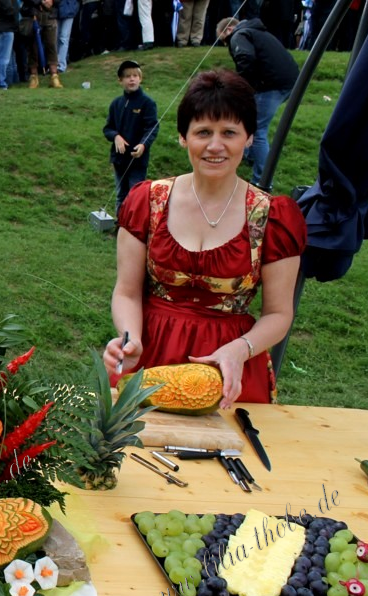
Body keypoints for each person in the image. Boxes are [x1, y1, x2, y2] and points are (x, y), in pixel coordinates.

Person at [103, 69, 306, 408]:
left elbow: (278, 313)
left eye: (229, 132)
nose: (215, 146)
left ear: (249, 138)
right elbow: (127, 291)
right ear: (183, 137)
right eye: (203, 132)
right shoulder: (146, 201)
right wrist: (130, 338)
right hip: (150, 356)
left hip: (229, 366)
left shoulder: (273, 217)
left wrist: (240, 349)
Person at [217, 17, 298, 186]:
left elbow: (245, 58)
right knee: (249, 120)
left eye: (224, 41)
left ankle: (262, 180)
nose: (226, 45)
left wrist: (240, 85)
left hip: (272, 84)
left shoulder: (239, 35)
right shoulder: (257, 32)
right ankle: (249, 156)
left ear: (228, 30)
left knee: (257, 129)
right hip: (287, 82)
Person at [103, 59, 158, 211]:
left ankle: (134, 224)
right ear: (120, 81)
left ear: (140, 78)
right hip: (119, 159)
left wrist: (143, 145)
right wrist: (116, 136)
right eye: (127, 76)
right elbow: (108, 128)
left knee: (135, 195)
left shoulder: (147, 103)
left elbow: (152, 127)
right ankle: (119, 222)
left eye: (135, 76)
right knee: (121, 195)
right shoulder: (116, 103)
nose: (132, 79)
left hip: (137, 159)